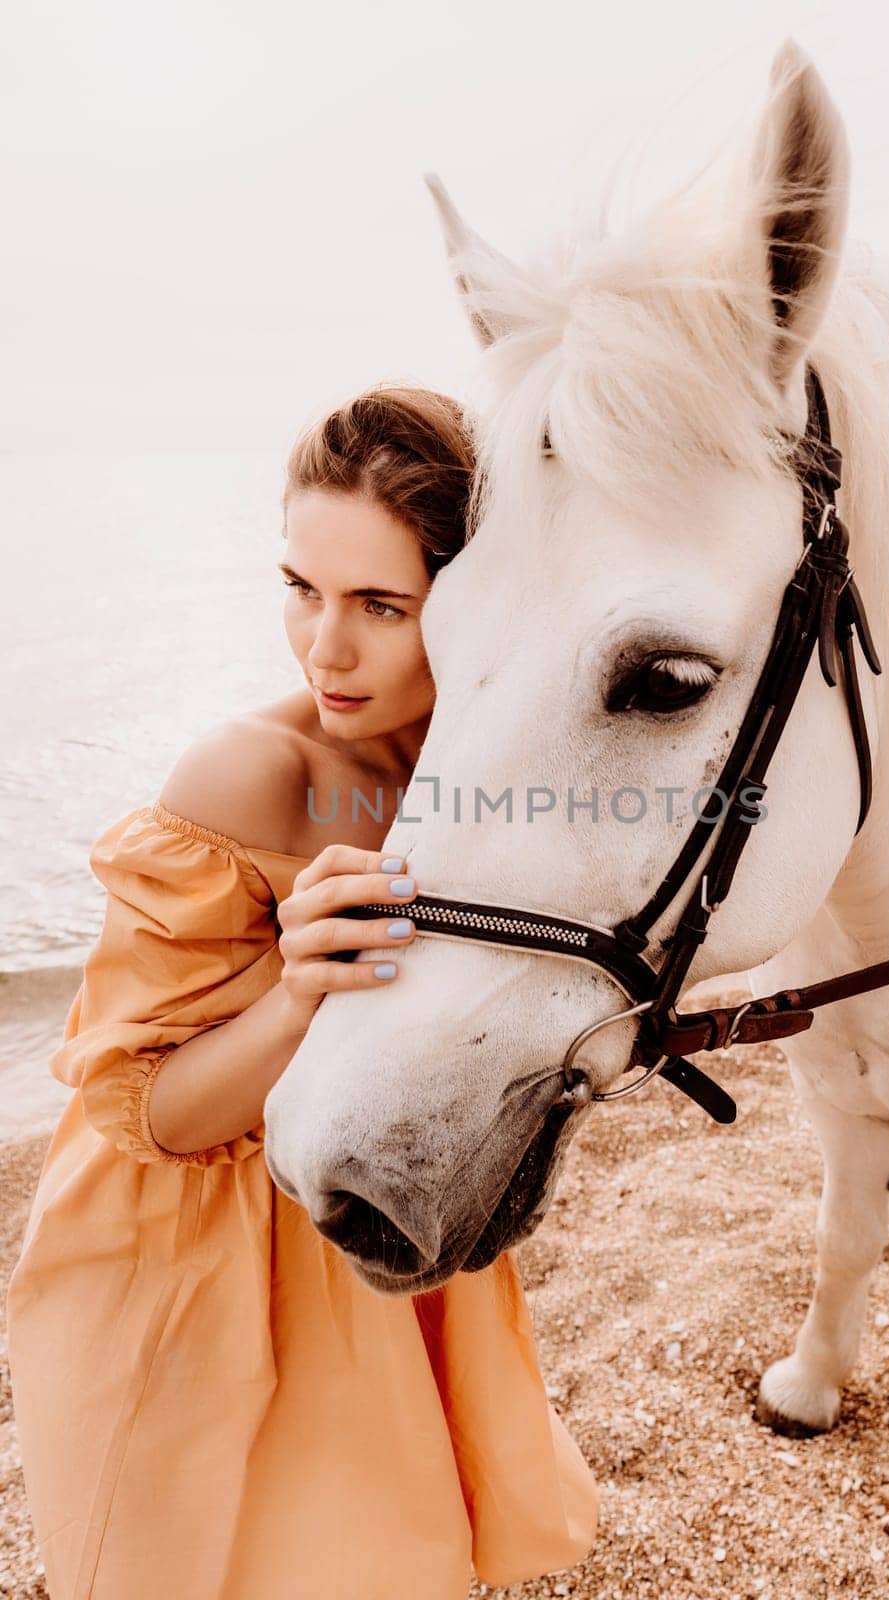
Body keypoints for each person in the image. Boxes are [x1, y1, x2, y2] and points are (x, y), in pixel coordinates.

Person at [6, 386, 600, 1600]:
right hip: (189, 1264)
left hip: (368, 1206)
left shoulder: (484, 774)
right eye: (300, 589)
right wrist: (294, 993)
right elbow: (148, 1116)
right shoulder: (250, 777)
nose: (324, 648)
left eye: (381, 606)